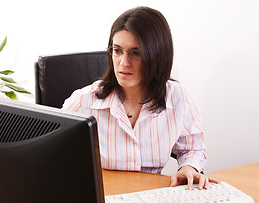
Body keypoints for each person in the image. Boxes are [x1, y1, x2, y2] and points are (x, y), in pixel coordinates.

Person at [62, 6, 218, 190]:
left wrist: (188, 167)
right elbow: (56, 155)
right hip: (104, 199)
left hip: (151, 198)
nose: (123, 63)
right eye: (118, 50)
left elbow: (193, 148)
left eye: (136, 53)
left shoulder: (179, 98)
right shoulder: (83, 101)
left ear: (157, 56)